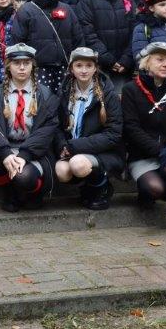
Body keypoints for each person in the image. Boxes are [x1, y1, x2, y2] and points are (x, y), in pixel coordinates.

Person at [121, 42, 166, 236]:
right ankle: (146, 193)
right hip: (143, 155)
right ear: (146, 63)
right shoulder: (131, 90)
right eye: (160, 60)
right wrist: (158, 150)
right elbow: (131, 128)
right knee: (155, 188)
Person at [0, 44, 59, 212]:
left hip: (35, 152)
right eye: (16, 63)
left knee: (24, 176)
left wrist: (24, 155)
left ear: (32, 66)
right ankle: (10, 191)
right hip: (5, 148)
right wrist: (5, 153)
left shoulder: (45, 95)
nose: (22, 67)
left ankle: (31, 193)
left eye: (26, 63)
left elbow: (47, 130)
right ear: (8, 66)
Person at [54, 47, 123, 211]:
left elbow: (113, 134)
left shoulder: (108, 94)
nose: (84, 70)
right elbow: (56, 126)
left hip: (104, 152)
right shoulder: (63, 91)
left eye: (88, 65)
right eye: (79, 65)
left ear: (95, 68)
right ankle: (86, 187)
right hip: (72, 149)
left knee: (78, 164)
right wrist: (62, 146)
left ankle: (102, 187)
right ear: (71, 68)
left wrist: (74, 147)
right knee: (62, 171)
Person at [8, 0, 84, 93]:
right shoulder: (26, 10)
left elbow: (77, 37)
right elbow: (18, 41)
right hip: (39, 68)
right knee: (42, 103)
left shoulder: (66, 9)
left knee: (64, 103)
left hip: (64, 66)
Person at [76, 0, 137, 93]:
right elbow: (88, 33)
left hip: (125, 64)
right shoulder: (87, 0)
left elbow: (135, 28)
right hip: (101, 65)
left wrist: (126, 58)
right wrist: (108, 59)